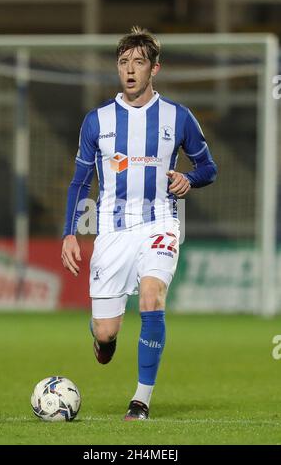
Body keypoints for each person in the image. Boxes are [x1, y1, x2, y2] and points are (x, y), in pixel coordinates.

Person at [61, 26, 217, 420]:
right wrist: (69, 232)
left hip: (160, 222)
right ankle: (103, 341)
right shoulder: (96, 121)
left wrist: (189, 178)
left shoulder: (178, 117)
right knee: (105, 332)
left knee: (152, 297)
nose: (130, 70)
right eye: (124, 62)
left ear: (155, 68)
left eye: (139, 62)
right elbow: (80, 181)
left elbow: (207, 167)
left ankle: (140, 401)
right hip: (112, 231)